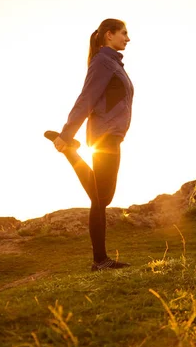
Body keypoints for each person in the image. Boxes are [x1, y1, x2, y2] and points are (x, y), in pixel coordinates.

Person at [44, 18, 134, 271]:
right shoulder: (103, 62)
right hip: (105, 135)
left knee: (100, 196)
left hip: (110, 134)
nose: (127, 38)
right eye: (124, 33)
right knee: (101, 198)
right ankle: (100, 261)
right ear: (109, 35)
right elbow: (86, 99)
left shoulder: (112, 63)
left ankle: (100, 260)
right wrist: (66, 132)